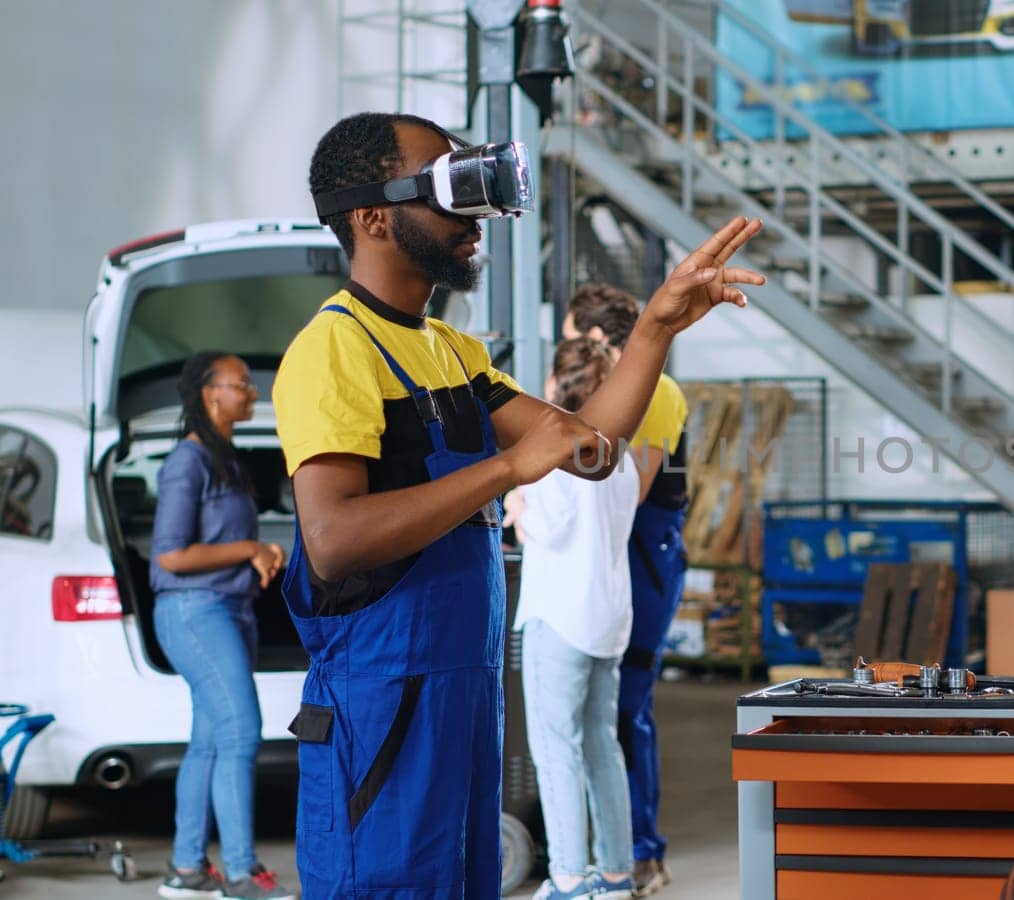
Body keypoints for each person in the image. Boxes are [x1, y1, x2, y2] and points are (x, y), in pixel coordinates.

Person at [272, 111, 762, 899]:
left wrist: (656, 329)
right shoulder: (333, 351)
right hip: (380, 708)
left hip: (462, 693)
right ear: (371, 216)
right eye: (446, 190)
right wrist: (504, 469)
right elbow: (332, 539)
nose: (471, 216)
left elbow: (591, 450)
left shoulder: (451, 352)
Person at [150, 352, 293, 900]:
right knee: (239, 733)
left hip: (227, 611)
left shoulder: (223, 456)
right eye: (243, 385)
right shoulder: (188, 462)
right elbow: (170, 555)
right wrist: (251, 546)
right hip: (195, 612)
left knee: (209, 744)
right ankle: (239, 874)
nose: (253, 393)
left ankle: (187, 870)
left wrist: (258, 553)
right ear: (211, 394)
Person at [564, 284, 689, 895]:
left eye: (569, 336)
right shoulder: (615, 387)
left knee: (623, 709)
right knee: (597, 713)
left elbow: (625, 492)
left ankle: (642, 853)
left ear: (593, 337)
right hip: (616, 554)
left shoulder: (656, 390)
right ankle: (608, 848)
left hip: (644, 552)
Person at [504, 338, 638, 900]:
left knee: (556, 749)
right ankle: (614, 874)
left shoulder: (558, 447)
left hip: (559, 616)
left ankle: (566, 878)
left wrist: (515, 504)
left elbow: (549, 525)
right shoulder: (621, 453)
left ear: (558, 386)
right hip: (608, 617)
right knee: (602, 746)